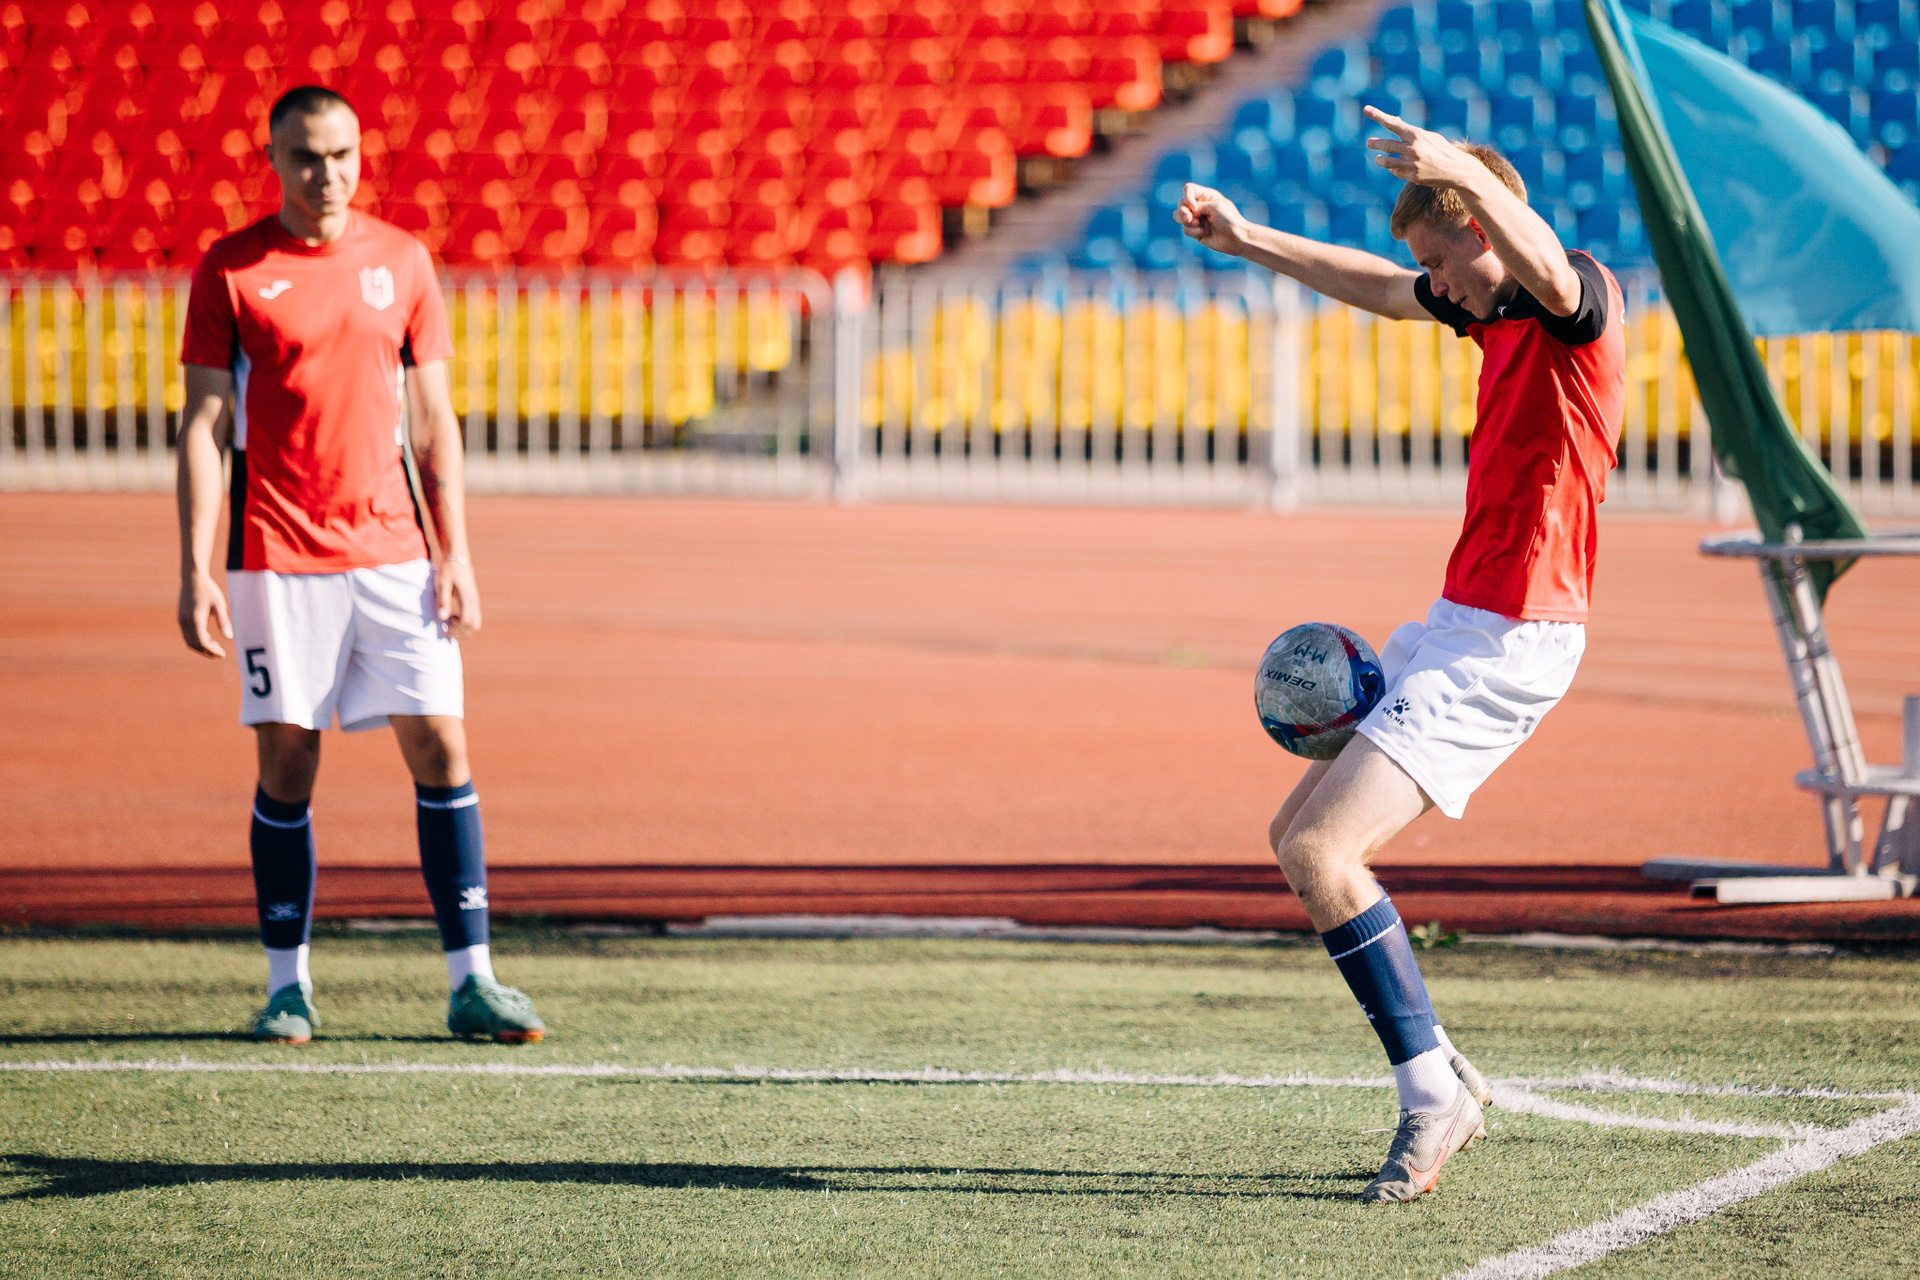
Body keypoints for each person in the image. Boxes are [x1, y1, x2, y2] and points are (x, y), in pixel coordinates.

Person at [1176, 107, 1625, 1201]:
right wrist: (1247, 240)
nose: (1435, 285)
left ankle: (1432, 1095)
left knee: (1325, 853)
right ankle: (1441, 1069)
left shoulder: (1572, 301)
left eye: (1442, 259)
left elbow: (1539, 260)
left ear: (1479, 227)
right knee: (1295, 837)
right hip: (1458, 620)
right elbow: (1379, 287)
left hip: (1513, 637)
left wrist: (1460, 165)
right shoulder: (1490, 310)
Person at [175, 85, 544, 1046]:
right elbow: (206, 425)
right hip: (276, 552)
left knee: (443, 749)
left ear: (360, 157)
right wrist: (196, 568)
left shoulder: (403, 261)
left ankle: (474, 982)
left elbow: (432, 419)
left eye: (341, 155)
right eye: (305, 156)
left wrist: (456, 553)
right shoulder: (232, 270)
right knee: (288, 762)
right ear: (272, 159)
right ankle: (286, 989)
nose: (325, 174)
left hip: (395, 553)